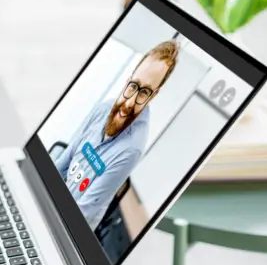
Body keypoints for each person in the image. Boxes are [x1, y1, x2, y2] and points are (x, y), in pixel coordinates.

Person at [53, 40, 180, 230]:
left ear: (153, 95)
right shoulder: (103, 108)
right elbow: (66, 159)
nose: (129, 103)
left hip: (72, 227)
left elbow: (82, 213)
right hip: (58, 202)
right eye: (133, 86)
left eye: (144, 92)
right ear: (128, 80)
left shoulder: (132, 148)